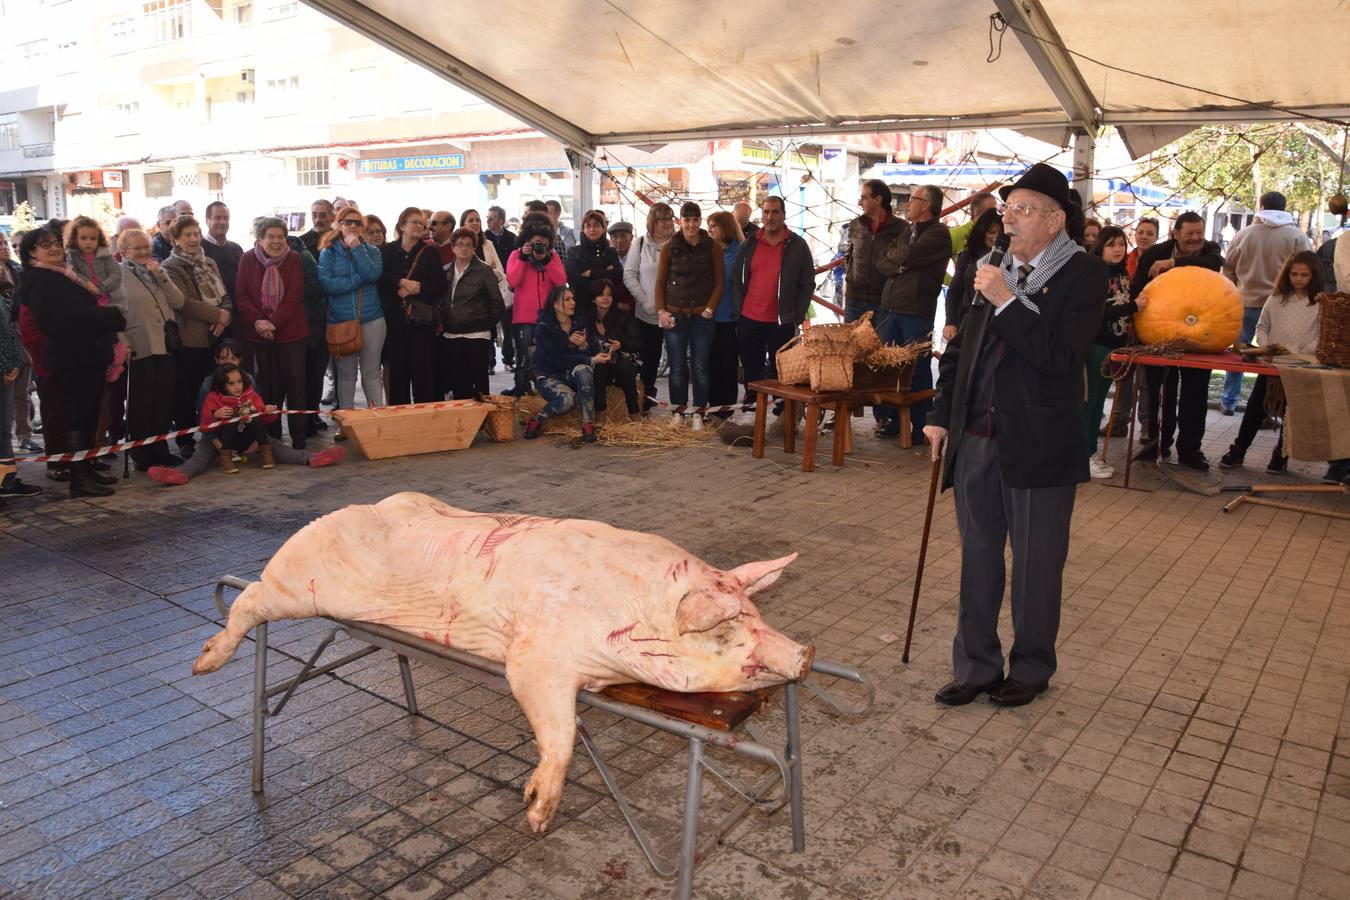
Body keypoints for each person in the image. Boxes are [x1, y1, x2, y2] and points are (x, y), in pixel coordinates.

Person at [925, 163, 1107, 708]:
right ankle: (977, 665)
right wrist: (940, 413)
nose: (1010, 218)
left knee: (1036, 562)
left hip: (1040, 442)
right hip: (977, 434)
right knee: (978, 555)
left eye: (1023, 209)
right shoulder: (989, 265)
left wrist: (1007, 300)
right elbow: (960, 347)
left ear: (1055, 220)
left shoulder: (1084, 275)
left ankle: (1030, 667)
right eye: (1008, 208)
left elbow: (1059, 358)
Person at [17, 227, 127, 497]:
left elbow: (81, 312)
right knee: (77, 418)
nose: (54, 248)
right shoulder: (41, 280)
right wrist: (111, 317)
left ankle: (87, 469)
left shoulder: (62, 274)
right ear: (32, 251)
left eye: (56, 243)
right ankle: (79, 477)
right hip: (71, 358)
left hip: (86, 356)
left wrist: (100, 317)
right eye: (45, 245)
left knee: (89, 415)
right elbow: (62, 321)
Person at [1219, 252, 1345, 479]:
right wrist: (1267, 347)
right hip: (1272, 364)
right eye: (1294, 274)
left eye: (1304, 275)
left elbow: (1322, 334)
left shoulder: (1320, 303)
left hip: (1300, 367)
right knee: (1256, 408)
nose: (1298, 279)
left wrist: (1299, 351)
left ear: (1314, 276)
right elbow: (1262, 327)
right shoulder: (1276, 299)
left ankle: (1281, 454)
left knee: (1291, 412)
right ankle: (1239, 449)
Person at [1129, 211, 1225, 470]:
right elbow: (1137, 288)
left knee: (1195, 394)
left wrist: (1172, 265)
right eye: (1190, 234)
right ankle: (1158, 443)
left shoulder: (1210, 250)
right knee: (1160, 393)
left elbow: (1215, 263)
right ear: (1175, 234)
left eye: (1199, 234)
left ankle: (1190, 449)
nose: (1196, 239)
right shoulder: (1154, 253)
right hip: (1159, 334)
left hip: (1201, 334)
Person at [147, 364, 345, 485]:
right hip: (220, 442)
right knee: (200, 456)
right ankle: (180, 474)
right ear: (222, 385)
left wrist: (268, 412)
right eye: (231, 383)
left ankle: (311, 459)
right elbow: (205, 428)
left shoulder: (250, 394)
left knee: (277, 446)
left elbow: (265, 420)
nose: (237, 386)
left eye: (239, 382)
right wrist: (215, 415)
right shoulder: (213, 398)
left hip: (250, 439)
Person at [1219, 191, 1312, 415]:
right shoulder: (1296, 236)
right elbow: (1309, 267)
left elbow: (1228, 268)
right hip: (1281, 306)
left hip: (1245, 301)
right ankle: (1267, 407)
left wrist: (1234, 290)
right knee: (1273, 358)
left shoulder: (1244, 234)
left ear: (1261, 205)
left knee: (1238, 354)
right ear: (1285, 207)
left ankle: (1229, 400)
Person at [875, 184, 953, 441]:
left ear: (926, 205)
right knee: (894, 367)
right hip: (893, 307)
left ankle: (921, 425)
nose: (908, 204)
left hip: (916, 310)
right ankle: (898, 420)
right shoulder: (909, 229)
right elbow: (883, 261)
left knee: (917, 368)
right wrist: (899, 265)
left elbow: (908, 254)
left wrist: (898, 260)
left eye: (913, 199)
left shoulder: (938, 233)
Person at [235, 217, 310, 450]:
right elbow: (241, 295)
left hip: (291, 333)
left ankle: (299, 437)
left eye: (281, 237)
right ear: (260, 238)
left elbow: (294, 295)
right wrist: (259, 321)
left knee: (296, 385)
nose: (276, 241)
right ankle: (273, 438)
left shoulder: (294, 259)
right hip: (259, 335)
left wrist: (272, 322)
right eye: (271, 237)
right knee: (269, 387)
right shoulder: (247, 259)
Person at [162, 214, 233, 458]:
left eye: (195, 234)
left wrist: (227, 315)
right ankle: (185, 439)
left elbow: (224, 293)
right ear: (176, 240)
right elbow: (184, 303)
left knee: (212, 389)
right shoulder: (170, 267)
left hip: (216, 336)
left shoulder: (209, 262)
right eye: (187, 235)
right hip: (190, 337)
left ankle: (213, 435)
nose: (193, 239)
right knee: (187, 391)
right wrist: (218, 316)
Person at [115, 228, 185, 471]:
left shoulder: (157, 270)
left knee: (163, 401)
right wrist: (123, 341)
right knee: (141, 403)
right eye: (138, 248)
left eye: (147, 246)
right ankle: (142, 454)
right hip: (139, 343)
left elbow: (178, 301)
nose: (145, 251)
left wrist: (161, 276)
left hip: (164, 344)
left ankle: (160, 449)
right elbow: (114, 314)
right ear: (124, 251)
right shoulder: (118, 275)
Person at [730, 196, 815, 390]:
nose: (770, 217)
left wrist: (797, 315)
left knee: (782, 374)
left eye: (775, 212)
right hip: (749, 319)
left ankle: (782, 415)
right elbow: (736, 280)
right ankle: (753, 415)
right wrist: (739, 313)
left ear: (783, 215)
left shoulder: (797, 245)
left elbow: (807, 283)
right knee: (752, 374)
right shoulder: (749, 244)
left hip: (781, 321)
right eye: (766, 212)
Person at [654, 202, 723, 428]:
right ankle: (678, 411)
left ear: (700, 221)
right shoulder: (669, 247)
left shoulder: (711, 247)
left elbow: (720, 282)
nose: (691, 224)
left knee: (700, 365)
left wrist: (709, 309)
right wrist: (662, 310)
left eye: (695, 219)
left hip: (702, 316)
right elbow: (660, 282)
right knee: (677, 365)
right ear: (680, 221)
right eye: (687, 220)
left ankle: (699, 412)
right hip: (675, 315)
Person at [65, 217, 130, 456]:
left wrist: (101, 287)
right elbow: (72, 277)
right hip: (89, 311)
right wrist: (88, 288)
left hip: (107, 305)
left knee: (116, 345)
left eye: (92, 238)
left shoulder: (106, 256)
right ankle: (88, 453)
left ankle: (115, 363)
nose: (88, 243)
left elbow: (116, 275)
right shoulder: (71, 258)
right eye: (83, 238)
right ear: (75, 239)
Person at [1082, 226, 1138, 480]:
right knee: (1090, 401)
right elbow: (1096, 312)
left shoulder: (1123, 272)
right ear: (1100, 247)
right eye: (1111, 244)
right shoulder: (1095, 273)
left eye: (1121, 244)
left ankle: (1090, 452)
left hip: (1117, 345)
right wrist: (1133, 306)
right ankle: (1085, 455)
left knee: (1099, 401)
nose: (1118, 249)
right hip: (1097, 345)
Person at [317, 208, 385, 420]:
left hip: (372, 319)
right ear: (338, 225)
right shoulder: (328, 252)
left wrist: (357, 249)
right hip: (342, 322)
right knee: (346, 377)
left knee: (371, 373)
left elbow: (373, 273)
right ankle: (347, 421)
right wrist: (358, 280)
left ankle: (376, 418)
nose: (353, 226)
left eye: (357, 223)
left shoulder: (371, 250)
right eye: (347, 222)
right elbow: (327, 284)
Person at [379, 208, 447, 404]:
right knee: (397, 374)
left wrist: (417, 288)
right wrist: (400, 282)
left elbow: (439, 286)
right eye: (413, 222)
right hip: (394, 322)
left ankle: (423, 419)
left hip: (421, 322)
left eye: (421, 222)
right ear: (402, 226)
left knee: (422, 374)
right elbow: (380, 278)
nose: (419, 225)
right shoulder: (388, 251)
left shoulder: (430, 251)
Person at [525, 285, 608, 442]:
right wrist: (589, 359)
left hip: (571, 373)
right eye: (567, 299)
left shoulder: (579, 323)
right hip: (549, 375)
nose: (572, 303)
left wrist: (584, 346)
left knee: (584, 369)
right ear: (556, 304)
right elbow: (557, 359)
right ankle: (537, 419)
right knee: (566, 400)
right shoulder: (544, 328)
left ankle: (587, 424)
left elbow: (589, 353)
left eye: (573, 299)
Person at [438, 227, 505, 400]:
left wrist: (485, 324)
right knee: (459, 380)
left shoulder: (484, 271)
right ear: (453, 247)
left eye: (468, 245)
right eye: (459, 244)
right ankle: (465, 420)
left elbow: (497, 303)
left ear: (474, 248)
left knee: (480, 381)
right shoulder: (446, 270)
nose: (464, 248)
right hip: (452, 333)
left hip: (477, 334)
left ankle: (484, 419)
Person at [503, 215, 566, 396]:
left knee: (546, 357)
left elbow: (561, 281)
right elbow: (513, 281)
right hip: (524, 318)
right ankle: (521, 390)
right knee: (524, 358)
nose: (540, 247)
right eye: (536, 243)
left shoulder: (552, 257)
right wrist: (523, 257)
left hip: (548, 317)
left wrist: (546, 260)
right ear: (526, 242)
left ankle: (544, 391)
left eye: (544, 244)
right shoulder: (516, 255)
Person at [623, 203, 676, 412]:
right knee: (649, 362)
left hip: (674, 315)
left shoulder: (678, 244)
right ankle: (645, 401)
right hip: (647, 315)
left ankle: (679, 408)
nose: (667, 223)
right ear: (652, 221)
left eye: (670, 218)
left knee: (679, 365)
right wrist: (646, 302)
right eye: (662, 219)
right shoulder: (640, 243)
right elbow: (629, 275)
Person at [845, 179, 906, 340]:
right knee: (851, 350)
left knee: (879, 354)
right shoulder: (855, 225)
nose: (860, 202)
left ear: (878, 200)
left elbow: (902, 260)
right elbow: (849, 255)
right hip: (854, 299)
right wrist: (851, 277)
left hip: (883, 302)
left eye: (864, 197)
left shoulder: (901, 229)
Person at [0, 255, 40, 500]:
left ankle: (6, 478)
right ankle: (5, 481)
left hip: (7, 368)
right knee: (2, 430)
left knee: (4, 429)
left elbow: (8, 335)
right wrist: (7, 366)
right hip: (3, 371)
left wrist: (14, 362)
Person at [706, 210, 744, 411]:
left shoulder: (739, 253)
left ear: (726, 227)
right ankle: (713, 407)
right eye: (709, 225)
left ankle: (726, 409)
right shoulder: (711, 251)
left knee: (727, 366)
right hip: (708, 318)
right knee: (711, 365)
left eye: (714, 225)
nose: (710, 229)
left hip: (729, 318)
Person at [945, 209, 1004, 338]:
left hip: (996, 328)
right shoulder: (968, 256)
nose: (995, 238)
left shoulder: (1012, 258)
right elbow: (954, 291)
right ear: (981, 232)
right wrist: (950, 322)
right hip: (968, 323)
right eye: (991, 232)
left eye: (1000, 233)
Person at [588, 280, 641, 417]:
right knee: (599, 365)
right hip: (598, 364)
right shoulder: (586, 320)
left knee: (625, 366)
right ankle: (600, 413)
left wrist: (621, 344)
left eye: (609, 295)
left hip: (620, 362)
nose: (606, 298)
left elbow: (637, 343)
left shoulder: (622, 317)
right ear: (593, 299)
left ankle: (634, 413)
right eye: (601, 295)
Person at [565, 209, 625, 318]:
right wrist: (606, 273)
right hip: (582, 308)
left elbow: (618, 275)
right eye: (588, 226)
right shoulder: (574, 252)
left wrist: (591, 273)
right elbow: (573, 280)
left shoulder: (610, 251)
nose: (592, 229)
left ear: (603, 229)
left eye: (596, 225)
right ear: (583, 229)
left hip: (608, 311)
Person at [485, 205, 518, 367]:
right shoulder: (483, 239)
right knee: (489, 325)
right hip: (488, 286)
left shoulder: (512, 238)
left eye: (491, 219)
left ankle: (508, 358)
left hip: (507, 286)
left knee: (508, 325)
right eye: (487, 218)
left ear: (501, 220)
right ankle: (490, 361)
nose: (488, 222)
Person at [201, 201, 243, 302]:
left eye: (226, 218)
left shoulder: (236, 248)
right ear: (207, 220)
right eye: (217, 218)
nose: (222, 222)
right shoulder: (199, 249)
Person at [946, 191, 997, 261]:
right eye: (992, 211)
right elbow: (934, 263)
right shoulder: (954, 234)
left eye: (997, 211)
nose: (995, 214)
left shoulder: (999, 233)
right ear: (977, 213)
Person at [607, 220, 637, 313]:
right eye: (615, 237)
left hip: (638, 309)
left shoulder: (640, 257)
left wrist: (631, 304)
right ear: (611, 239)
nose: (619, 240)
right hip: (612, 308)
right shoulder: (606, 258)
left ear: (631, 237)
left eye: (623, 236)